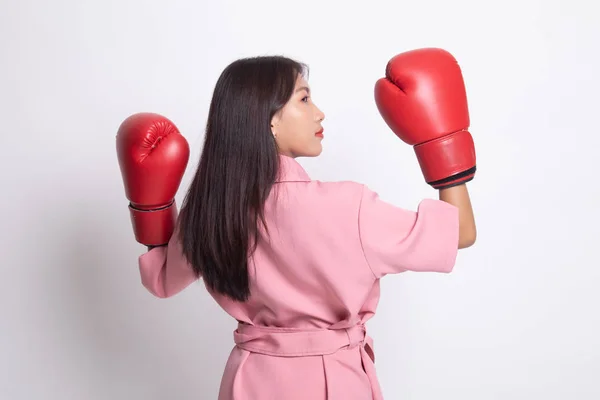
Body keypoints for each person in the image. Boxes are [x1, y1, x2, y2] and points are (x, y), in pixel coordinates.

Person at [116, 49, 477, 399]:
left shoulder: (211, 209)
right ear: (270, 119)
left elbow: (162, 280)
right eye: (304, 100)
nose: (319, 113)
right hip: (334, 381)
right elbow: (460, 232)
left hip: (250, 381)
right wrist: (443, 146)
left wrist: (153, 208)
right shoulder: (350, 207)